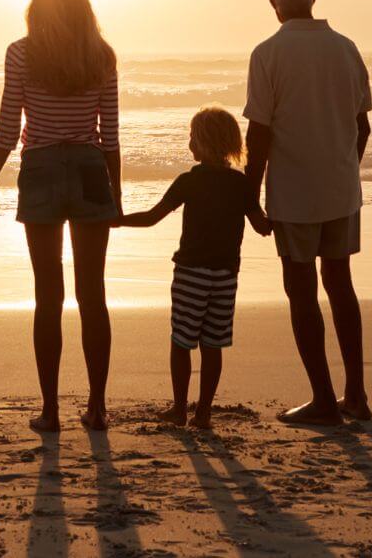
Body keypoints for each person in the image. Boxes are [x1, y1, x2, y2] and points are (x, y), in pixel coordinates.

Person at [0, 0, 122, 432]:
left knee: (47, 296)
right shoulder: (101, 54)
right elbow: (110, 135)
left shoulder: (21, 53)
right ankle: (96, 408)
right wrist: (113, 197)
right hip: (89, 167)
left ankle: (51, 410)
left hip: (39, 170)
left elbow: (7, 131)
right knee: (93, 295)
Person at [242, 0, 372, 427]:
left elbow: (258, 135)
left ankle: (323, 398)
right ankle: (354, 394)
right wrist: (343, 170)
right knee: (340, 284)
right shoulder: (346, 49)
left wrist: (249, 197)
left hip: (294, 194)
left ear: (272, 1)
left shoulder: (268, 54)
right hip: (340, 189)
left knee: (301, 290)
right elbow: (362, 126)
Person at [114, 106, 270, 430]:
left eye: (191, 137)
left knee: (182, 341)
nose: (188, 144)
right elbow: (261, 226)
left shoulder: (190, 180)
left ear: (202, 142)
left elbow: (152, 217)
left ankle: (180, 408)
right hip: (226, 276)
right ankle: (204, 413)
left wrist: (116, 221)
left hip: (191, 273)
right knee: (213, 344)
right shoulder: (240, 184)